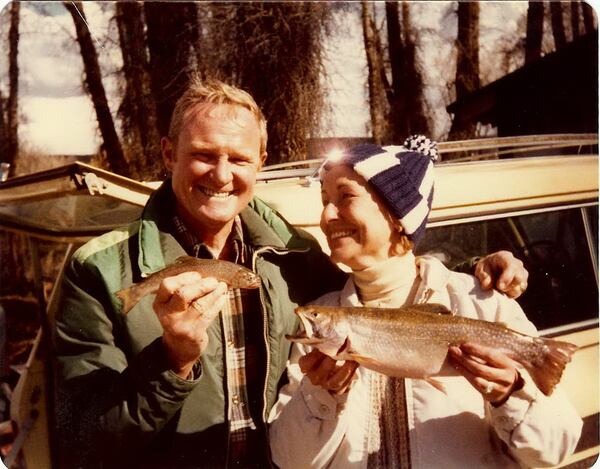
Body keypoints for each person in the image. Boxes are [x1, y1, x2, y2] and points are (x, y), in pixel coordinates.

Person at [52, 78, 529, 468]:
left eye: (239, 158)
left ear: (260, 162)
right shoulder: (97, 270)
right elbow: (81, 440)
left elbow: (380, 280)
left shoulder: (288, 252)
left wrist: (476, 271)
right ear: (166, 153)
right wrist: (172, 363)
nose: (221, 174)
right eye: (203, 154)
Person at [269, 138, 582, 469]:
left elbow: (556, 449)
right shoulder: (324, 323)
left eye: (344, 196)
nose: (327, 215)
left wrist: (512, 394)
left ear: (398, 215)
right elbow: (290, 462)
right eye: (324, 200)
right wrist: (321, 397)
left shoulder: (479, 301)